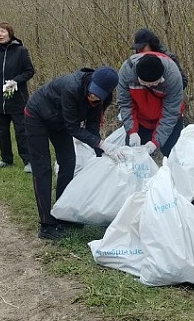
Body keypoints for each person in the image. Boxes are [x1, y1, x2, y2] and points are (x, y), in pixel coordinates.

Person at [24, 66, 122, 240]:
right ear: (90, 82)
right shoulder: (72, 87)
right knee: (42, 168)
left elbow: (92, 126)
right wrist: (101, 144)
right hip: (37, 115)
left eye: (98, 95)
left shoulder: (103, 99)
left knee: (68, 162)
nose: (92, 96)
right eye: (92, 92)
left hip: (60, 121)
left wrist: (101, 151)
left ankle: (62, 212)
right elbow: (73, 127)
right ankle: (46, 224)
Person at [0, 22, 35, 173]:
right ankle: (6, 159)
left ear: (10, 33)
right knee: (2, 131)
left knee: (21, 132)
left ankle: (28, 161)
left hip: (17, 99)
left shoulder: (20, 51)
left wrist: (15, 81)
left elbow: (29, 71)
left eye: (3, 32)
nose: (0, 35)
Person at [117, 52, 185, 157]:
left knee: (174, 156)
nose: (149, 86)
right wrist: (132, 132)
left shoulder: (173, 76)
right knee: (132, 157)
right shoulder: (126, 72)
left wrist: (155, 142)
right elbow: (126, 104)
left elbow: (171, 113)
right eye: (144, 84)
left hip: (169, 120)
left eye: (153, 84)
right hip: (140, 121)